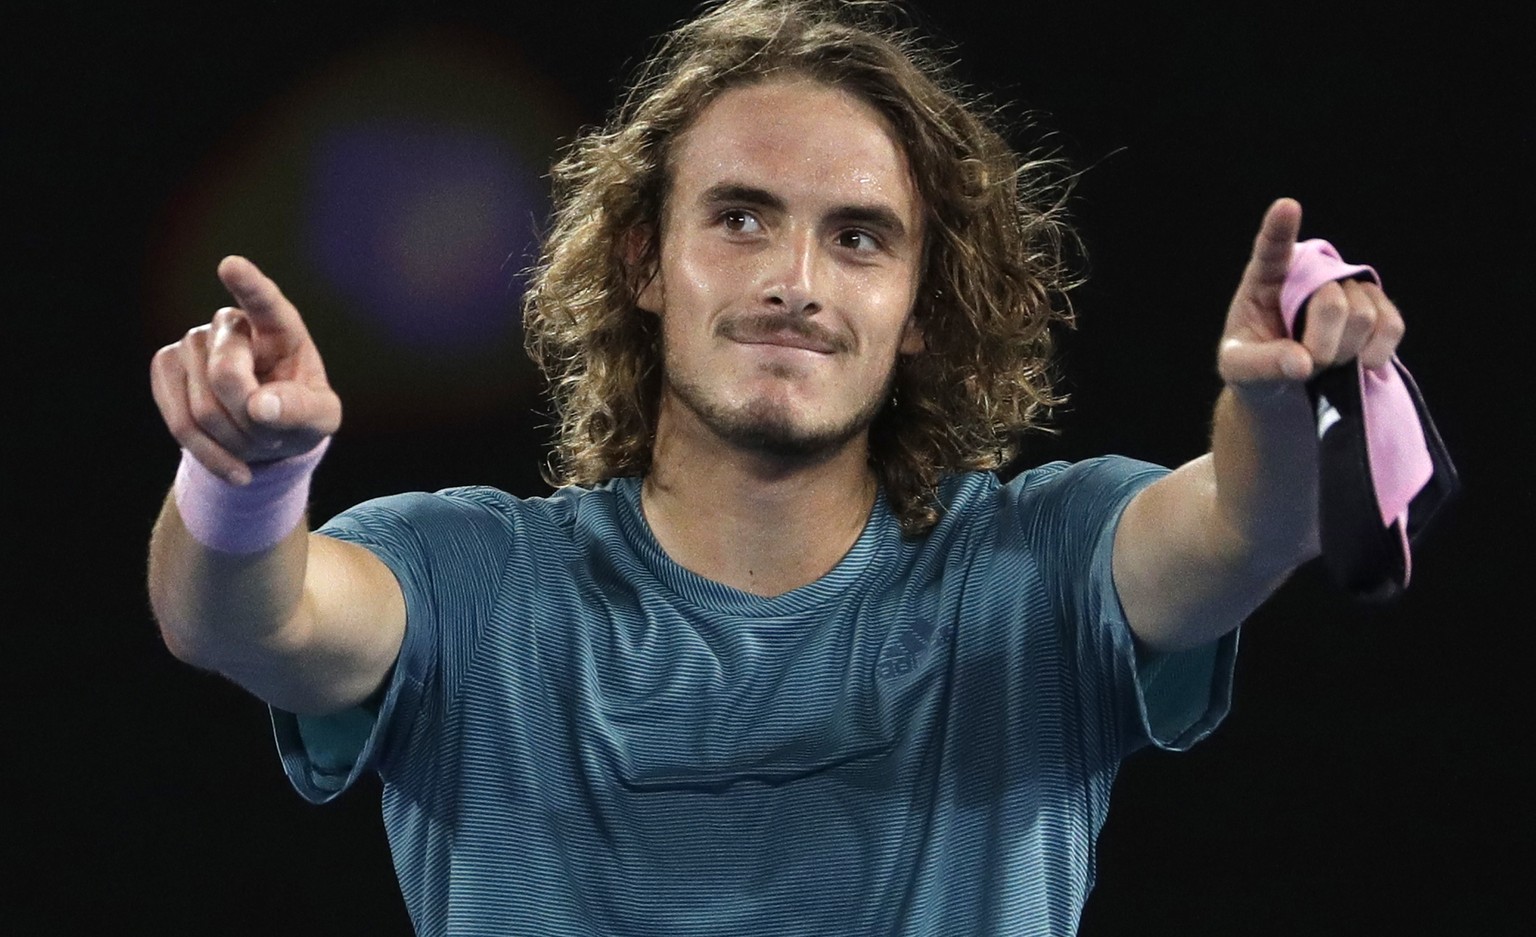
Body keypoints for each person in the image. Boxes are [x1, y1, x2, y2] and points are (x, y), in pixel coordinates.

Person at [146, 1, 1412, 934]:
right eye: (741, 216)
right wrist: (246, 479)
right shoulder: (464, 574)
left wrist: (1284, 405)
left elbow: (1245, 524)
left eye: (858, 238)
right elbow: (241, 615)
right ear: (643, 261)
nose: (794, 282)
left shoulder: (1048, 560)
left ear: (921, 303)